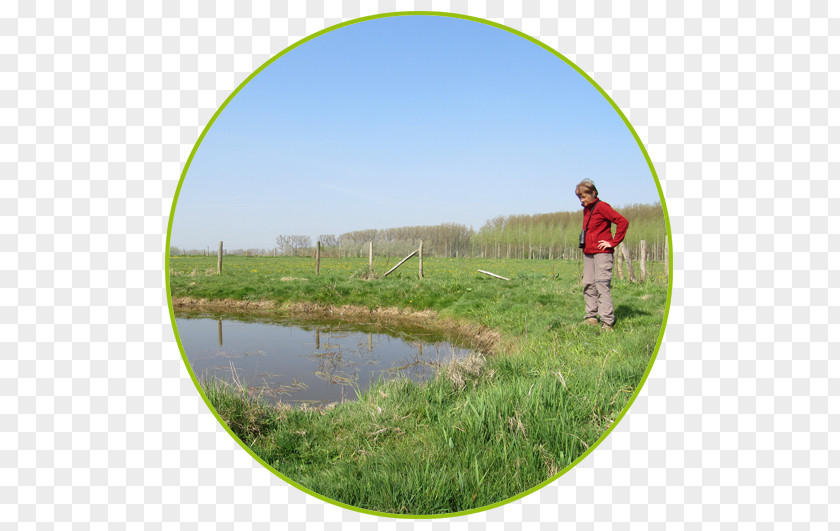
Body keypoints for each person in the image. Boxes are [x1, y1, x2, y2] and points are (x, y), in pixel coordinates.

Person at [575, 179, 629, 331]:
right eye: (580, 197)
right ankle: (591, 317)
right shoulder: (586, 209)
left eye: (584, 196)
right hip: (589, 253)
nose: (582, 200)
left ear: (593, 193)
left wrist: (613, 242)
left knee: (601, 285)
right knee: (588, 284)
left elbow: (622, 222)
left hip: (602, 253)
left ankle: (607, 321)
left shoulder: (602, 207)